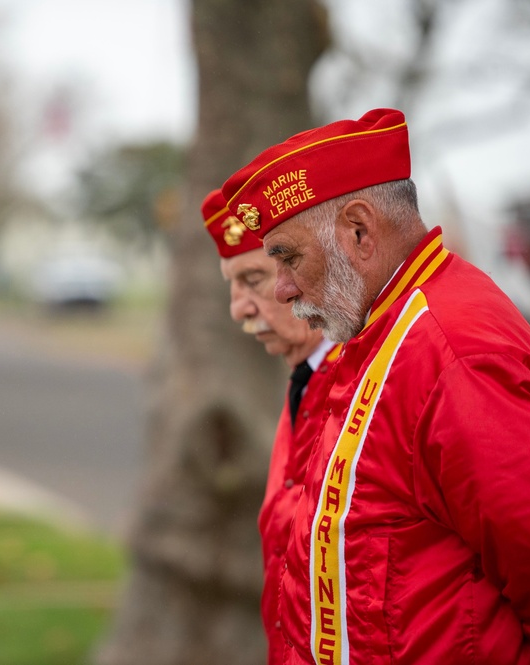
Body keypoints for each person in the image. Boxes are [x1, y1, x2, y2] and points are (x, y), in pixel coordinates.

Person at [219, 108, 530, 664]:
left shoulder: (450, 349)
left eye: (288, 258)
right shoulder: (380, 332)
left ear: (359, 230)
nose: (282, 290)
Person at [202, 188, 337, 664]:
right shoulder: (307, 376)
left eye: (254, 278)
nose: (238, 308)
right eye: (232, 285)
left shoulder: (360, 379)